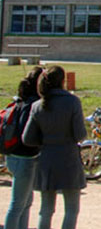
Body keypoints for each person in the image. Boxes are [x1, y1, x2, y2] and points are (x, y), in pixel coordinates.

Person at [21, 66, 86, 229]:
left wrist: (45, 140)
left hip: (46, 159)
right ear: (63, 81)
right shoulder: (72, 102)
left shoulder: (37, 105)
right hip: (69, 158)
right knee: (71, 209)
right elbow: (80, 135)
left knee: (46, 210)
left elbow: (27, 138)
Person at [4, 67, 43, 229]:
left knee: (25, 202)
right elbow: (25, 135)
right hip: (24, 158)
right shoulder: (33, 104)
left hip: (14, 156)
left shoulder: (22, 100)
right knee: (18, 204)